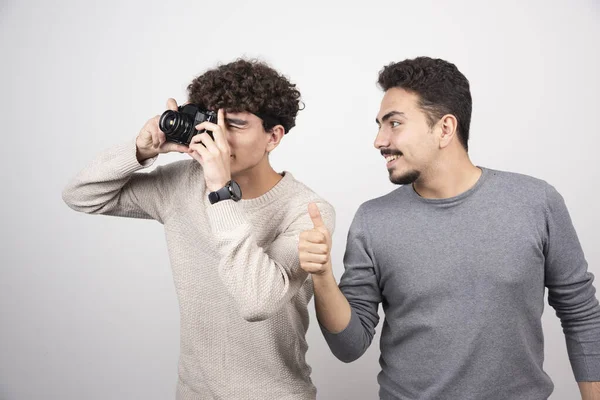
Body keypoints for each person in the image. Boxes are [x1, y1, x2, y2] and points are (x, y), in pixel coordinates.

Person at [299, 56, 600, 400]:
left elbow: (581, 314)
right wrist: (322, 275)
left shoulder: (536, 202)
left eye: (393, 123)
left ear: (444, 128)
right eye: (380, 125)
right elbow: (349, 346)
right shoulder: (373, 220)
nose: (379, 140)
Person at [63, 58, 335, 400]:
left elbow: (257, 303)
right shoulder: (180, 183)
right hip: (194, 392)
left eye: (234, 124)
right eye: (210, 122)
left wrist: (220, 191)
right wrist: (140, 150)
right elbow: (81, 196)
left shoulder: (306, 210)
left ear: (273, 136)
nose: (216, 136)